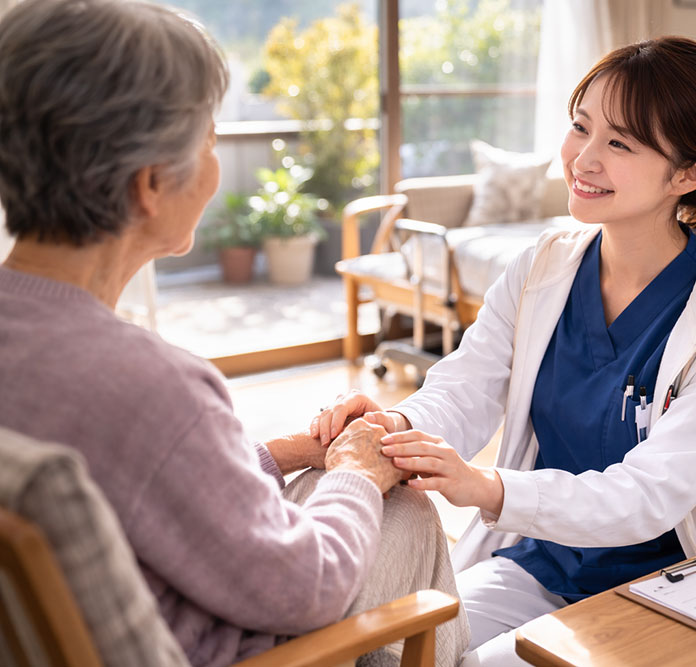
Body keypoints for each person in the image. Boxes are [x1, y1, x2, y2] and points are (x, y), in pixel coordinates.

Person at [0, 1, 468, 666]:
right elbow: (309, 586)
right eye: (211, 140)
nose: (215, 160)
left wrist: (287, 451)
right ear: (152, 183)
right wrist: (358, 468)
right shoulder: (150, 385)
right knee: (407, 514)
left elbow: (144, 476)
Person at [314, 35, 696, 664]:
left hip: (676, 583)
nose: (583, 160)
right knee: (403, 651)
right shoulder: (544, 265)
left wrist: (486, 487)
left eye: (619, 143)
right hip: (542, 557)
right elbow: (467, 384)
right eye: (580, 128)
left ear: (691, 173)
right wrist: (396, 425)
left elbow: (649, 497)